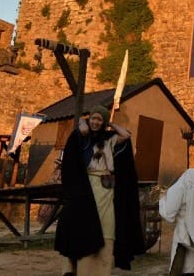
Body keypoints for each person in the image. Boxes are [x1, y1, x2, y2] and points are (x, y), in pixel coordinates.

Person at [54, 104, 144, 275]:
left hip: (105, 188)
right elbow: (73, 150)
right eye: (93, 118)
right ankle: (78, 269)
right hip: (85, 188)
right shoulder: (82, 137)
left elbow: (125, 135)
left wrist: (110, 124)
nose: (95, 122)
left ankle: (101, 270)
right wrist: (82, 123)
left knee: (107, 225)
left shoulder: (109, 139)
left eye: (99, 119)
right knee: (83, 224)